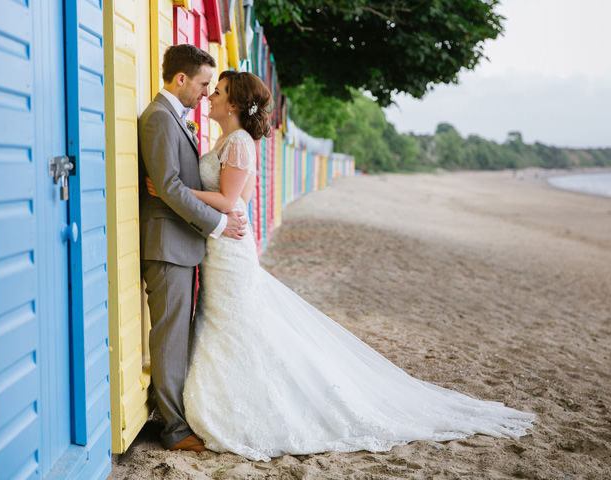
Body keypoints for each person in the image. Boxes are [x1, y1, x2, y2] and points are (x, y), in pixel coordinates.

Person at [150, 71, 535, 461]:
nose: (210, 95)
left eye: (217, 92)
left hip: (229, 249)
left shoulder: (238, 143)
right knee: (224, 322)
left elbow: (233, 201)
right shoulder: (228, 141)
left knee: (234, 323)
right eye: (211, 89)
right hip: (222, 246)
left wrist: (175, 191)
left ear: (233, 104)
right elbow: (241, 198)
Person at [138, 45, 248, 452]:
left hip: (181, 243)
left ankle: (167, 412)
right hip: (167, 245)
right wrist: (219, 223)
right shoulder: (158, 119)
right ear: (180, 79)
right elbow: (167, 187)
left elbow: (175, 186)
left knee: (177, 335)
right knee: (169, 337)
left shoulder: (173, 118)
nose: (206, 92)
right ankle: (173, 430)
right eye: (204, 84)